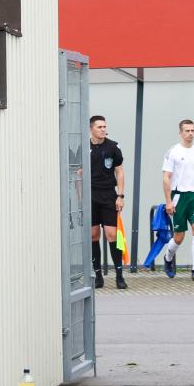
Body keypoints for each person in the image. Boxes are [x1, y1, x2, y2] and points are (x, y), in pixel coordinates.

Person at [160, 118, 194, 283]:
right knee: (179, 236)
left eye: (192, 130)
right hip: (178, 196)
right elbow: (166, 177)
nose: (190, 134)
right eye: (187, 131)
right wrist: (168, 201)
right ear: (181, 133)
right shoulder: (173, 152)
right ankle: (168, 257)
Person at [87, 115, 126, 290]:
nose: (103, 129)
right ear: (91, 129)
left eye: (104, 127)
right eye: (99, 127)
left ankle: (119, 275)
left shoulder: (113, 147)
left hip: (109, 195)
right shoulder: (84, 146)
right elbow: (78, 172)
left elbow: (120, 172)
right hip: (90, 196)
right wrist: (80, 198)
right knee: (93, 235)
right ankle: (97, 275)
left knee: (112, 234)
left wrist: (120, 196)